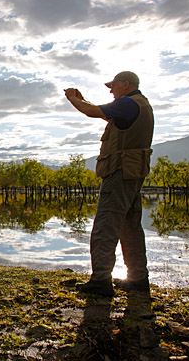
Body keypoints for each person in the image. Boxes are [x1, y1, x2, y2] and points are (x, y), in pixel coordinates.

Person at [64, 71, 154, 297]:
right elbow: (105, 115)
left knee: (106, 225)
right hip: (133, 172)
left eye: (113, 86)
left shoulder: (127, 103)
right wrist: (83, 100)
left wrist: (74, 100)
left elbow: (92, 112)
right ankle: (138, 278)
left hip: (119, 171)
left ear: (126, 84)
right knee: (130, 226)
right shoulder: (139, 105)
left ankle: (101, 281)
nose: (111, 90)